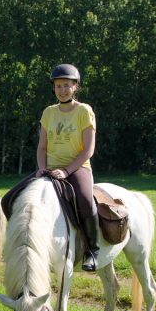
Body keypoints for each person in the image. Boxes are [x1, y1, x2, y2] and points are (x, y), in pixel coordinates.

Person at [38, 63, 99, 271]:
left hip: (78, 167)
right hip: (49, 169)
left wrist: (66, 171)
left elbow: (88, 150)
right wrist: (41, 168)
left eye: (66, 85)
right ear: (53, 88)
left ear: (75, 87)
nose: (62, 90)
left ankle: (92, 250)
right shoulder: (48, 112)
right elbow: (42, 147)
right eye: (58, 86)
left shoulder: (84, 111)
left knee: (84, 200)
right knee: (12, 198)